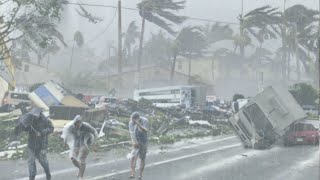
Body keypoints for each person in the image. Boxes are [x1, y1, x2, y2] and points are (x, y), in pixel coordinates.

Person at [14, 107, 54, 180]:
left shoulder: (45, 120)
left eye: (36, 115)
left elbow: (51, 128)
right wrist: (25, 128)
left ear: (40, 114)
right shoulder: (30, 120)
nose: (35, 117)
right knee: (31, 162)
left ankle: (48, 173)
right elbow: (25, 129)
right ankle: (32, 177)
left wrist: (42, 132)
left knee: (43, 162)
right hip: (31, 145)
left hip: (42, 145)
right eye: (34, 116)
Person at [61, 115, 98, 180]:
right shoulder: (71, 127)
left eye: (77, 124)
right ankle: (80, 169)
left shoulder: (86, 126)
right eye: (75, 124)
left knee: (82, 159)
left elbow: (95, 133)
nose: (76, 126)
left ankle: (81, 176)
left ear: (80, 123)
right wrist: (65, 143)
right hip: (77, 142)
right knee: (73, 158)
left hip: (86, 142)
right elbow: (66, 135)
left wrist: (94, 144)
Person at [128, 112, 149, 180]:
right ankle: (132, 174)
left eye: (134, 120)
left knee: (142, 158)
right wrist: (134, 142)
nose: (133, 121)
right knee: (132, 158)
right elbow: (131, 133)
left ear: (138, 118)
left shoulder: (145, 120)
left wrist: (138, 124)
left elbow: (145, 131)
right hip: (135, 142)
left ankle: (140, 175)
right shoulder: (131, 123)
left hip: (143, 142)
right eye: (132, 119)